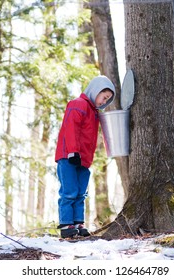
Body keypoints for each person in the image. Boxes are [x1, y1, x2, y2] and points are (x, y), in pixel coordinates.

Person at [55, 75, 115, 238]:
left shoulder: (95, 113)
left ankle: (78, 222)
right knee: (69, 191)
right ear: (96, 90)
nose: (104, 102)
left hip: (84, 161)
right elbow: (70, 128)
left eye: (107, 99)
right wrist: (72, 151)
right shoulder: (77, 104)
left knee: (81, 192)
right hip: (69, 157)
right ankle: (66, 224)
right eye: (104, 97)